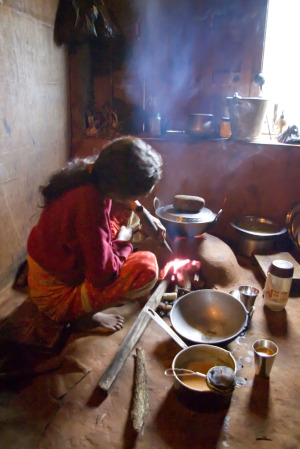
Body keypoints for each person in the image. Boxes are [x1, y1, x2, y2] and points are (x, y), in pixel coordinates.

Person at [26, 136, 166, 334]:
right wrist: (124, 240)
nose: (137, 200)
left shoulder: (92, 172)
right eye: (136, 195)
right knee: (147, 266)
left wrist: (144, 213)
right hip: (55, 298)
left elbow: (125, 204)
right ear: (120, 189)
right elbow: (103, 276)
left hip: (51, 263)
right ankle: (83, 317)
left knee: (129, 216)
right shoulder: (88, 204)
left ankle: (86, 305)